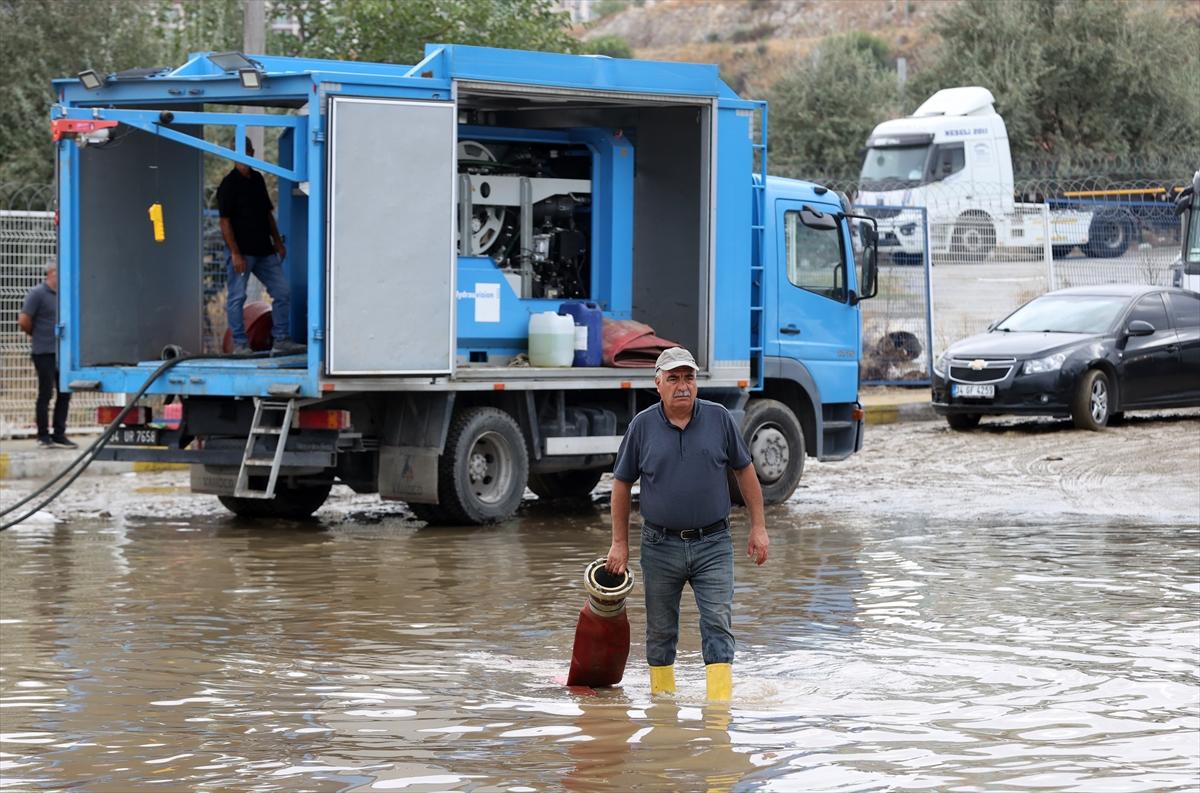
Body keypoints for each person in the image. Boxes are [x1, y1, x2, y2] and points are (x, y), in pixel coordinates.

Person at [606, 347, 768, 701]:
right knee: (660, 632)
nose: (683, 386)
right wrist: (620, 542)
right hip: (660, 546)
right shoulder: (642, 426)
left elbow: (744, 471)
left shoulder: (720, 418)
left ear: (697, 382)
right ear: (658, 383)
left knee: (717, 626)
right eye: (674, 378)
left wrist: (758, 526)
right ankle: (663, 715)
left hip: (714, 544)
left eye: (689, 377)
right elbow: (621, 484)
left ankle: (719, 716)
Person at [216, 137, 304, 356]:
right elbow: (224, 221)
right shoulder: (228, 185)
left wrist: (277, 241)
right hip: (242, 253)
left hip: (264, 250)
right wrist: (235, 253)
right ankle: (240, 344)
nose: (243, 154)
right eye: (237, 150)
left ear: (252, 151)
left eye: (245, 150)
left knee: (282, 292)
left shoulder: (257, 180)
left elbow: (267, 214)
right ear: (231, 154)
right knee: (237, 297)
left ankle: (281, 339)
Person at [18, 264, 77, 449]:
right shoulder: (38, 294)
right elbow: (24, 320)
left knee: (65, 393)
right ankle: (43, 436)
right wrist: (37, 336)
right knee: (45, 393)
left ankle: (59, 434)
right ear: (51, 274)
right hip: (44, 352)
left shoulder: (64, 295)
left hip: (62, 352)